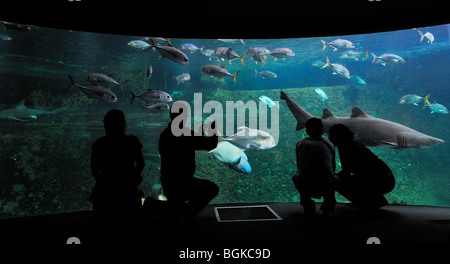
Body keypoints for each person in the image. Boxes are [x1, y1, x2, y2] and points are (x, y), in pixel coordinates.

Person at [158, 103, 219, 218]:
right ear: (184, 117)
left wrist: (200, 132)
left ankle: (175, 208)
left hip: (168, 184)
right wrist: (213, 130)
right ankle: (190, 211)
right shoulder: (186, 134)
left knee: (176, 205)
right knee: (212, 188)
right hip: (184, 184)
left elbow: (187, 142)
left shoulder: (165, 134)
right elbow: (210, 144)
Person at [90, 109, 145, 220]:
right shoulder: (132, 141)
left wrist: (102, 183)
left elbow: (94, 169)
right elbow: (141, 164)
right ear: (123, 124)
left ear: (106, 124)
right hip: (129, 190)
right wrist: (133, 178)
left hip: (106, 191)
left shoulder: (100, 143)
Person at [328, 124, 395, 210]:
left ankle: (369, 203)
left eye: (330, 135)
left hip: (381, 182)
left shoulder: (347, 148)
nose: (329, 137)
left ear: (336, 137)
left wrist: (332, 176)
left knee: (334, 181)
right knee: (339, 179)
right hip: (386, 179)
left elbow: (346, 172)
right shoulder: (353, 145)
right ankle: (375, 199)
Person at [293, 118, 338, 218]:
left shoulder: (300, 143)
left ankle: (307, 204)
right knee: (333, 177)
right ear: (322, 130)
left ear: (307, 130)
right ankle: (328, 207)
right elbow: (333, 166)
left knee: (296, 176)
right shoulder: (329, 144)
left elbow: (299, 165)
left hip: (306, 182)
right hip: (327, 183)